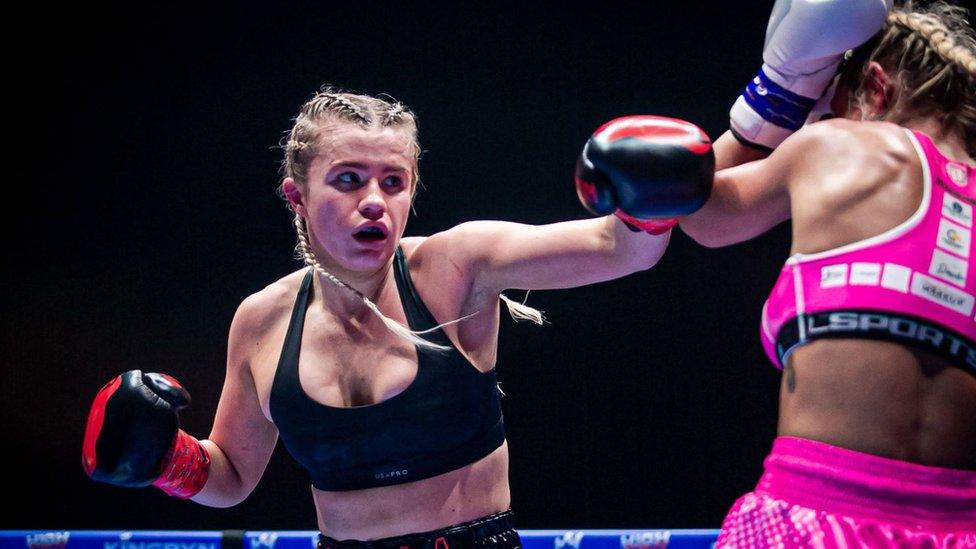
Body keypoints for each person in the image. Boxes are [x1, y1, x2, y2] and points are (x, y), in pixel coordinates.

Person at [81, 89, 714, 547]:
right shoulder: (262, 319)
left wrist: (647, 206)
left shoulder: (457, 267)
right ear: (296, 196)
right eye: (349, 179)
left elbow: (620, 250)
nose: (375, 203)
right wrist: (165, 461)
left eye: (394, 181)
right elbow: (233, 476)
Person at [677, 0, 976, 545]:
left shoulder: (842, 144)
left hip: (812, 516)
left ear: (877, 90)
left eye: (833, 108)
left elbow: (699, 211)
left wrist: (779, 95)